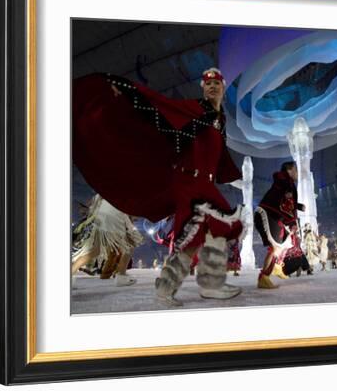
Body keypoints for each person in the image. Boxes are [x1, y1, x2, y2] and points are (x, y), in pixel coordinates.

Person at [73, 68, 244, 306]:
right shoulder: (195, 109)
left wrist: (231, 175)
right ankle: (199, 285)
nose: (212, 87)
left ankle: (197, 285)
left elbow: (218, 155)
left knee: (202, 236)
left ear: (223, 88)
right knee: (222, 224)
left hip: (204, 183)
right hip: (190, 182)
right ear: (203, 89)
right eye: (208, 84)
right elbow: (159, 107)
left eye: (217, 83)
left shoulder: (219, 119)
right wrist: (124, 90)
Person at [71, 194, 143, 286]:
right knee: (130, 244)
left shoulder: (110, 185)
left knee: (95, 250)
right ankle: (121, 276)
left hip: (102, 213)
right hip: (115, 214)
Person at [253, 162, 305, 289]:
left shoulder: (285, 182)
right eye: (295, 170)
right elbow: (285, 203)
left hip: (272, 216)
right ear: (289, 171)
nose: (297, 173)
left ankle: (276, 267)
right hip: (268, 215)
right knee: (275, 247)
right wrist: (292, 222)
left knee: (284, 243)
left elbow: (282, 200)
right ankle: (264, 277)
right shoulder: (285, 182)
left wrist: (297, 206)